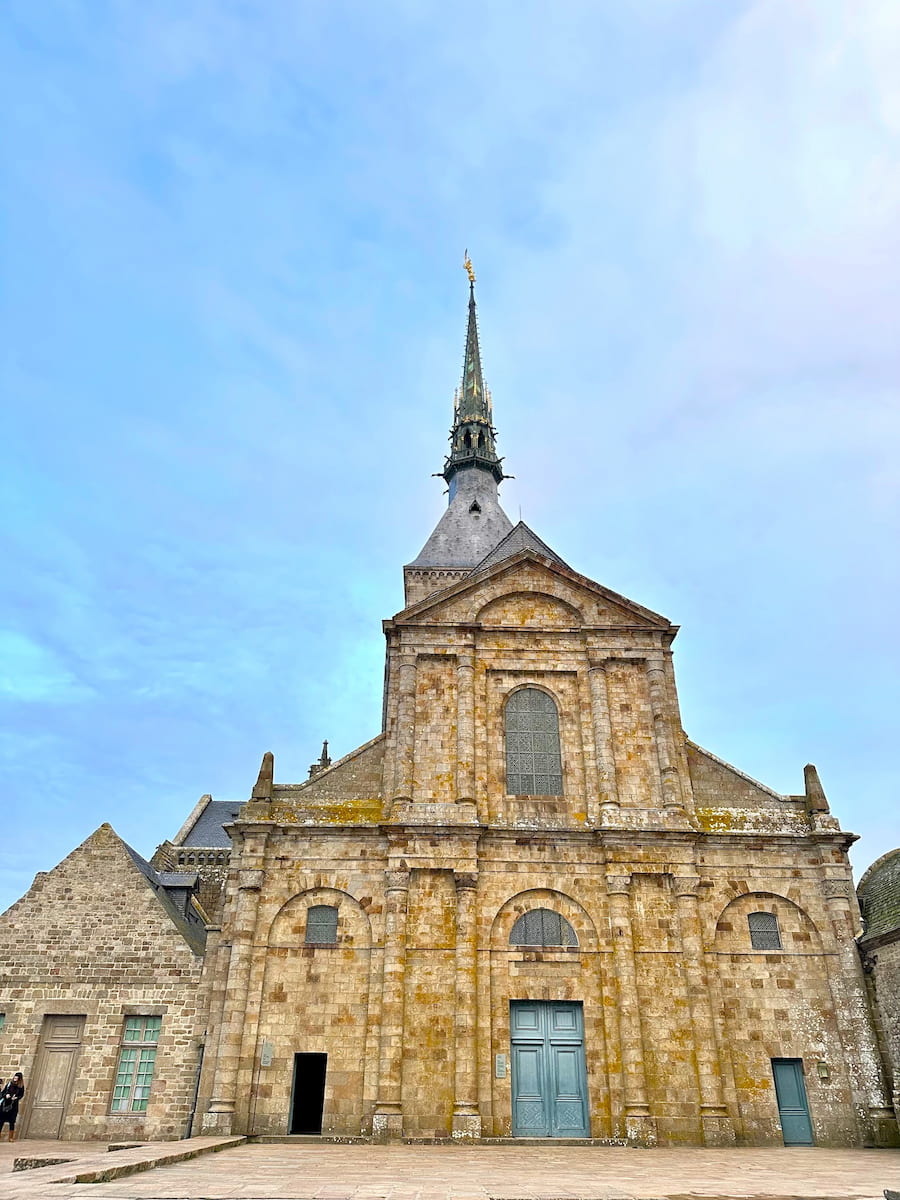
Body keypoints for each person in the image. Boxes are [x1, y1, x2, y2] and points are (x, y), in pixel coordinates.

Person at [0, 1073, 25, 1142]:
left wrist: (16, 1098)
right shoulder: (9, 1084)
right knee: (1, 1120)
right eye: (14, 1078)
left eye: (16, 1078)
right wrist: (6, 1096)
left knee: (12, 1121)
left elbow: (21, 1095)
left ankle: (11, 1137)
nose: (15, 1079)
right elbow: (3, 1092)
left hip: (13, 1106)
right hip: (5, 1105)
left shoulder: (21, 1086)